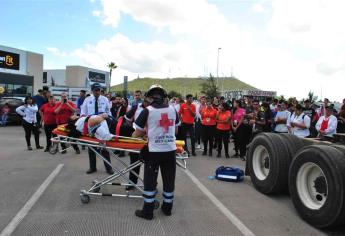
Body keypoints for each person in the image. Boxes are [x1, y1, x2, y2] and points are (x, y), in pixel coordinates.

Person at [132, 84, 180, 220]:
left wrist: (137, 136)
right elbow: (176, 131)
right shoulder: (173, 110)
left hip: (154, 152)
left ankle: (147, 212)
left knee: (150, 181)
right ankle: (167, 208)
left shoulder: (147, 111)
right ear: (164, 97)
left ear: (150, 97)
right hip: (170, 151)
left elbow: (138, 133)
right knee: (169, 180)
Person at [81, 83, 113, 175]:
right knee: (91, 146)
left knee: (104, 146)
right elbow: (83, 112)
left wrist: (108, 117)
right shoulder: (87, 100)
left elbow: (108, 111)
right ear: (92, 91)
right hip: (91, 123)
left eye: (99, 90)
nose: (98, 92)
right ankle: (92, 167)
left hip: (102, 123)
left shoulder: (105, 99)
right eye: (96, 90)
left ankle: (108, 168)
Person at [124, 95, 152, 190]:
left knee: (150, 164)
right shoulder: (136, 107)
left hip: (149, 139)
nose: (149, 104)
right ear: (144, 101)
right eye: (147, 102)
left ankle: (150, 184)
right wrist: (133, 130)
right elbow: (127, 119)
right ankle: (132, 183)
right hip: (136, 138)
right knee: (134, 162)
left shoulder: (154, 109)